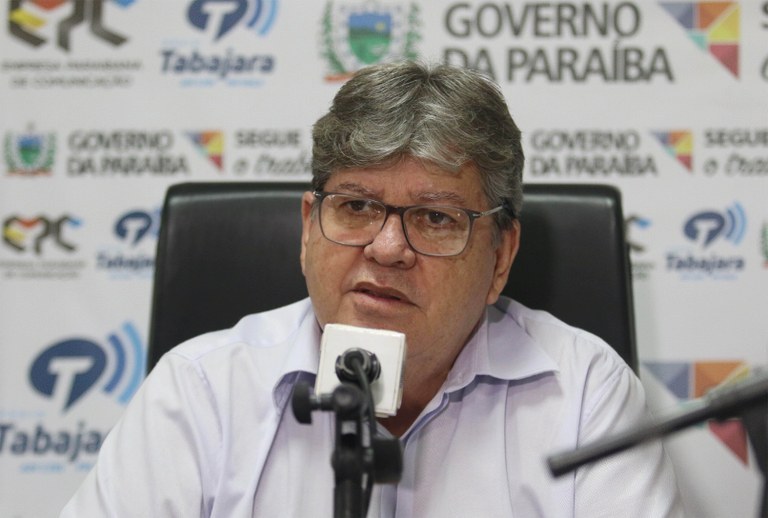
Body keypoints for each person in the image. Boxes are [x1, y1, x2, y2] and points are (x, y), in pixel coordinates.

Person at [60, 60, 684, 517]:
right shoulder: (200, 391)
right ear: (309, 227)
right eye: (356, 206)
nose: (387, 249)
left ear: (501, 258)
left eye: (435, 217)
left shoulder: (582, 394)